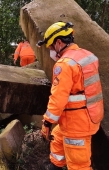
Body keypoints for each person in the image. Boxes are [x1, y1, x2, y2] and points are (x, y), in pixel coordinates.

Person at [36, 21, 103, 170]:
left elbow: (57, 99)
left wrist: (46, 123)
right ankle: (55, 165)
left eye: (51, 47)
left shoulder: (64, 65)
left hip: (78, 123)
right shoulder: (88, 56)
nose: (51, 51)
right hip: (89, 115)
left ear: (59, 42)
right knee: (57, 135)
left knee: (79, 165)